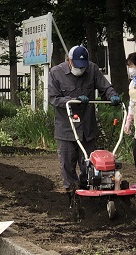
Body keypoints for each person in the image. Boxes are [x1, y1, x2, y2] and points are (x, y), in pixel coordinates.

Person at [48, 45, 121, 207]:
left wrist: (113, 95)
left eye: (83, 66)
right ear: (68, 61)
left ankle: (90, 197)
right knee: (67, 165)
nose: (81, 69)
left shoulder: (92, 69)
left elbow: (105, 87)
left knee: (90, 164)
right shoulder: (56, 73)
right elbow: (54, 99)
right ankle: (72, 198)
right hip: (67, 128)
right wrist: (73, 99)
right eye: (78, 66)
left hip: (87, 127)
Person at [124, 52, 136, 189]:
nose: (130, 68)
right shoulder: (132, 84)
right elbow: (131, 104)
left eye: (131, 65)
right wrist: (128, 122)